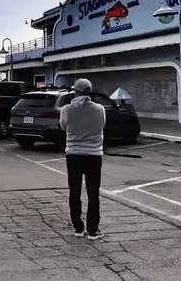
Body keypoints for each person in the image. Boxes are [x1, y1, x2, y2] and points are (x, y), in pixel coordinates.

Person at [60, 78, 106, 240]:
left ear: (76, 92)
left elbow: (63, 127)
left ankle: (78, 228)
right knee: (93, 193)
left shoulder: (66, 109)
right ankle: (93, 230)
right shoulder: (99, 109)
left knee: (75, 191)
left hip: (73, 155)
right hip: (94, 155)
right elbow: (102, 126)